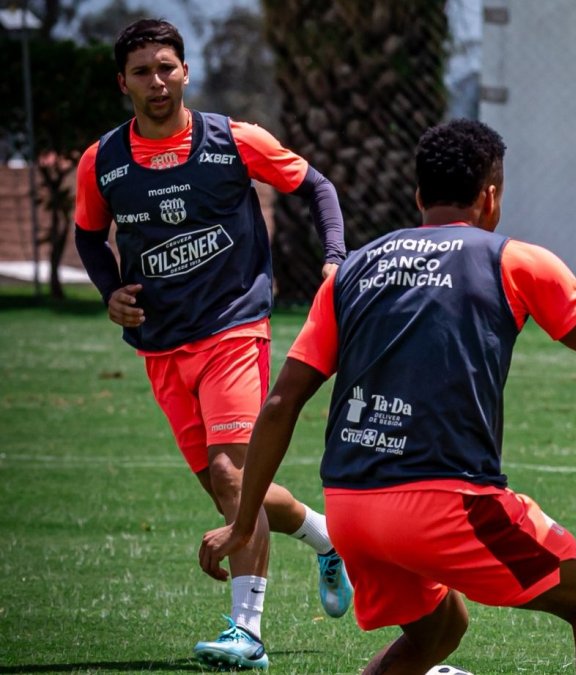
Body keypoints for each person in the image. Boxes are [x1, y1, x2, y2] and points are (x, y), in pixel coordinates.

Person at [197, 118, 576, 674]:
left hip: (351, 509)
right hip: (449, 504)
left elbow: (280, 404)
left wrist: (245, 522)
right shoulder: (514, 260)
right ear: (491, 197)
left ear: (419, 196)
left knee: (440, 628)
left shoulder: (352, 271)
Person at [73, 18, 353, 670]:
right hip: (161, 345)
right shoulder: (104, 161)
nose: (157, 81)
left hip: (234, 327)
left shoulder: (233, 141)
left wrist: (335, 258)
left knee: (233, 476)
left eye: (166, 66)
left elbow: (316, 186)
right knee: (235, 491)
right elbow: (90, 234)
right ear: (124, 83)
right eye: (142, 71)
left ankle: (247, 633)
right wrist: (109, 288)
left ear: (186, 71)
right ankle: (328, 537)